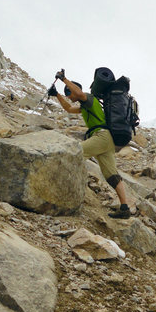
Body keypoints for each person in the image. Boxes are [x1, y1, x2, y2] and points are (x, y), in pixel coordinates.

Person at [49, 68, 132, 219]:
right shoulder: (85, 106)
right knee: (112, 176)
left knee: (75, 153)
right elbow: (68, 109)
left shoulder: (87, 98)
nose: (69, 95)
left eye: (69, 92)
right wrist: (57, 95)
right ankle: (125, 208)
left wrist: (64, 79)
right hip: (107, 142)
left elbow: (79, 94)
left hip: (101, 136)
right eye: (66, 93)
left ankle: (61, 190)